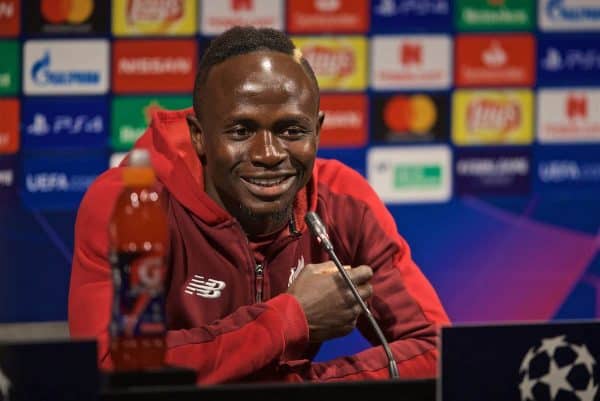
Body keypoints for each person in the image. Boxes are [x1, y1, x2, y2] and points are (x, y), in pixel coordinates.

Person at [68, 26, 450, 384]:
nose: (268, 154)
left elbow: (438, 351)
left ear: (317, 131)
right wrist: (289, 320)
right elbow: (110, 366)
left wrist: (299, 387)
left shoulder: (343, 199)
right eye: (241, 131)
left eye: (291, 131)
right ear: (199, 136)